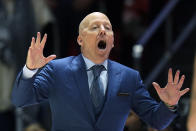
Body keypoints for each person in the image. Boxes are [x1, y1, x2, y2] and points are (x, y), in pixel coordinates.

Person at [12, 12, 189, 131]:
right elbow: (21, 100)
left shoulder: (129, 77)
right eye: (95, 27)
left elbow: (156, 120)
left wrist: (169, 105)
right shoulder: (57, 70)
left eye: (108, 28)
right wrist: (30, 70)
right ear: (80, 40)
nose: (103, 31)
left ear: (112, 41)